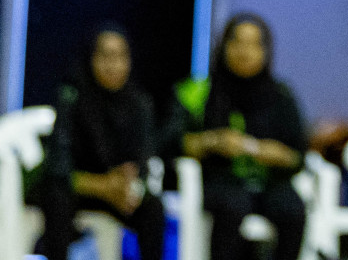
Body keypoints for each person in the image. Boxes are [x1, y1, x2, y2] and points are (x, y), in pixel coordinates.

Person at [168, 14, 307, 260]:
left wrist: (262, 151)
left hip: (269, 183)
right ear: (224, 46)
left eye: (254, 44)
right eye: (237, 42)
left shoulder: (281, 96)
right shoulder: (198, 92)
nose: (245, 51)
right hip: (220, 180)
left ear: (265, 50)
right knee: (233, 205)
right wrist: (213, 141)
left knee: (292, 209)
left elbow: (298, 155)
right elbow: (169, 143)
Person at [36, 25, 165, 260]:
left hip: (118, 191)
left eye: (120, 57)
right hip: (78, 188)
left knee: (153, 208)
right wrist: (103, 185)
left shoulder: (140, 104)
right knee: (56, 196)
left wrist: (129, 185)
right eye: (105, 56)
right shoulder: (71, 96)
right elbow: (58, 168)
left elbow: (145, 161)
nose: (113, 65)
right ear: (91, 58)